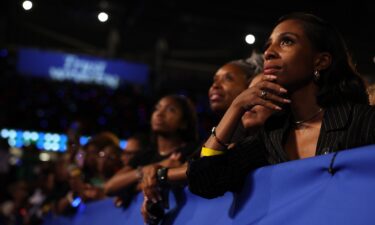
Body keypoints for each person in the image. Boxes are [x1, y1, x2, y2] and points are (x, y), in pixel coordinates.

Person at [187, 12, 375, 199]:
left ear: (321, 61)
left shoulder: (362, 120)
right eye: (268, 45)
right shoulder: (272, 135)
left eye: (286, 41)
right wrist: (236, 107)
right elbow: (204, 182)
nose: (269, 53)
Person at [140, 53, 269, 223]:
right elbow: (195, 166)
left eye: (227, 79)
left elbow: (203, 170)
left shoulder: (255, 137)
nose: (215, 86)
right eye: (214, 80)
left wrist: (162, 174)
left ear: (250, 87)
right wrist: (151, 180)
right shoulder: (213, 138)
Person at [104, 94, 199, 198]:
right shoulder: (145, 155)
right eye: (157, 108)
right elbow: (109, 187)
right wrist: (151, 168)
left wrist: (131, 188)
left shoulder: (191, 150)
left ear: (184, 123)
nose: (160, 113)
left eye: (171, 110)